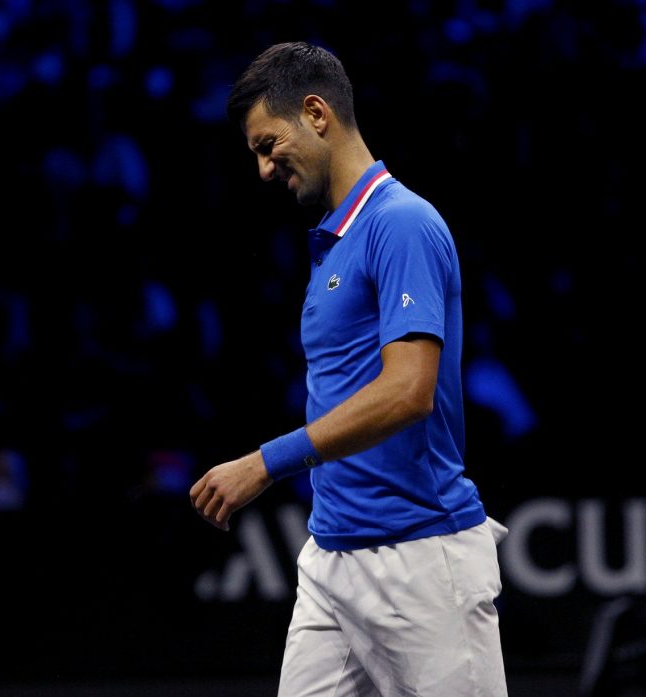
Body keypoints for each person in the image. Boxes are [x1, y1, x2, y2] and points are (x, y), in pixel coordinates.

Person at [189, 41, 508, 697]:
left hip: (422, 562)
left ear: (315, 112)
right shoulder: (335, 241)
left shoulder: (403, 224)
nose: (264, 168)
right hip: (332, 558)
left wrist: (263, 462)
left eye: (267, 144)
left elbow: (409, 391)